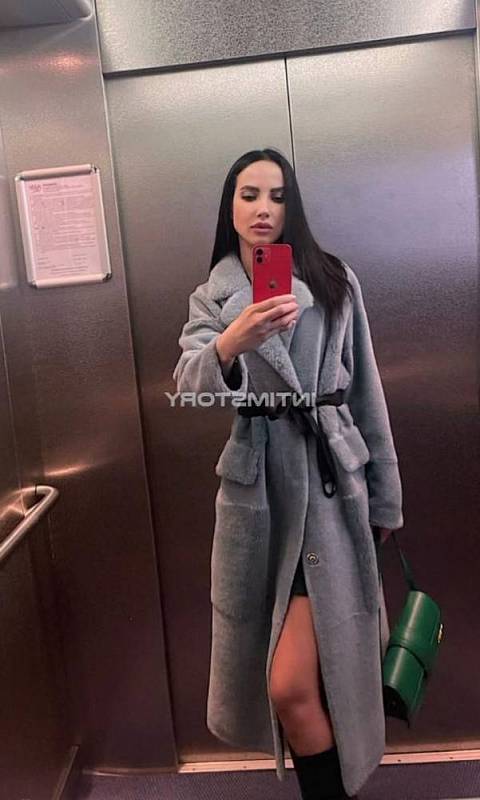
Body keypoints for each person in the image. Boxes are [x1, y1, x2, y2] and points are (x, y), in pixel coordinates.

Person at [172, 148, 404, 800]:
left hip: (330, 487)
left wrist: (385, 495)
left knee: (293, 685)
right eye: (249, 194)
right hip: (263, 498)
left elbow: (366, 391)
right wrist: (231, 344)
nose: (263, 209)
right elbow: (189, 387)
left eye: (277, 195)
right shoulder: (213, 295)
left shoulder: (333, 280)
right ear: (230, 207)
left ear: (291, 206)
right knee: (292, 686)